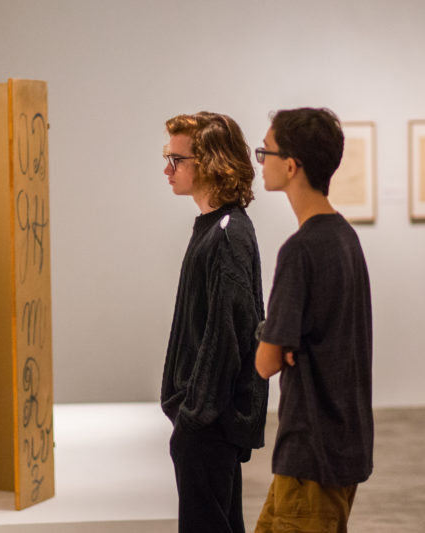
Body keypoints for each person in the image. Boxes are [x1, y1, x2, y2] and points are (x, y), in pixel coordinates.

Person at [254, 107, 373, 533]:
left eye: (264, 152)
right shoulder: (346, 238)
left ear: (290, 165)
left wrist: (271, 339)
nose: (260, 161)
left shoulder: (300, 250)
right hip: (341, 448)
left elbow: (265, 363)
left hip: (310, 454)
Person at [160, 112, 268, 533]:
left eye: (176, 159)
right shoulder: (214, 227)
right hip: (208, 420)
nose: (166, 169)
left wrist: (194, 416)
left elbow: (227, 337)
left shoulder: (226, 234)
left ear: (208, 163)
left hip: (210, 423)